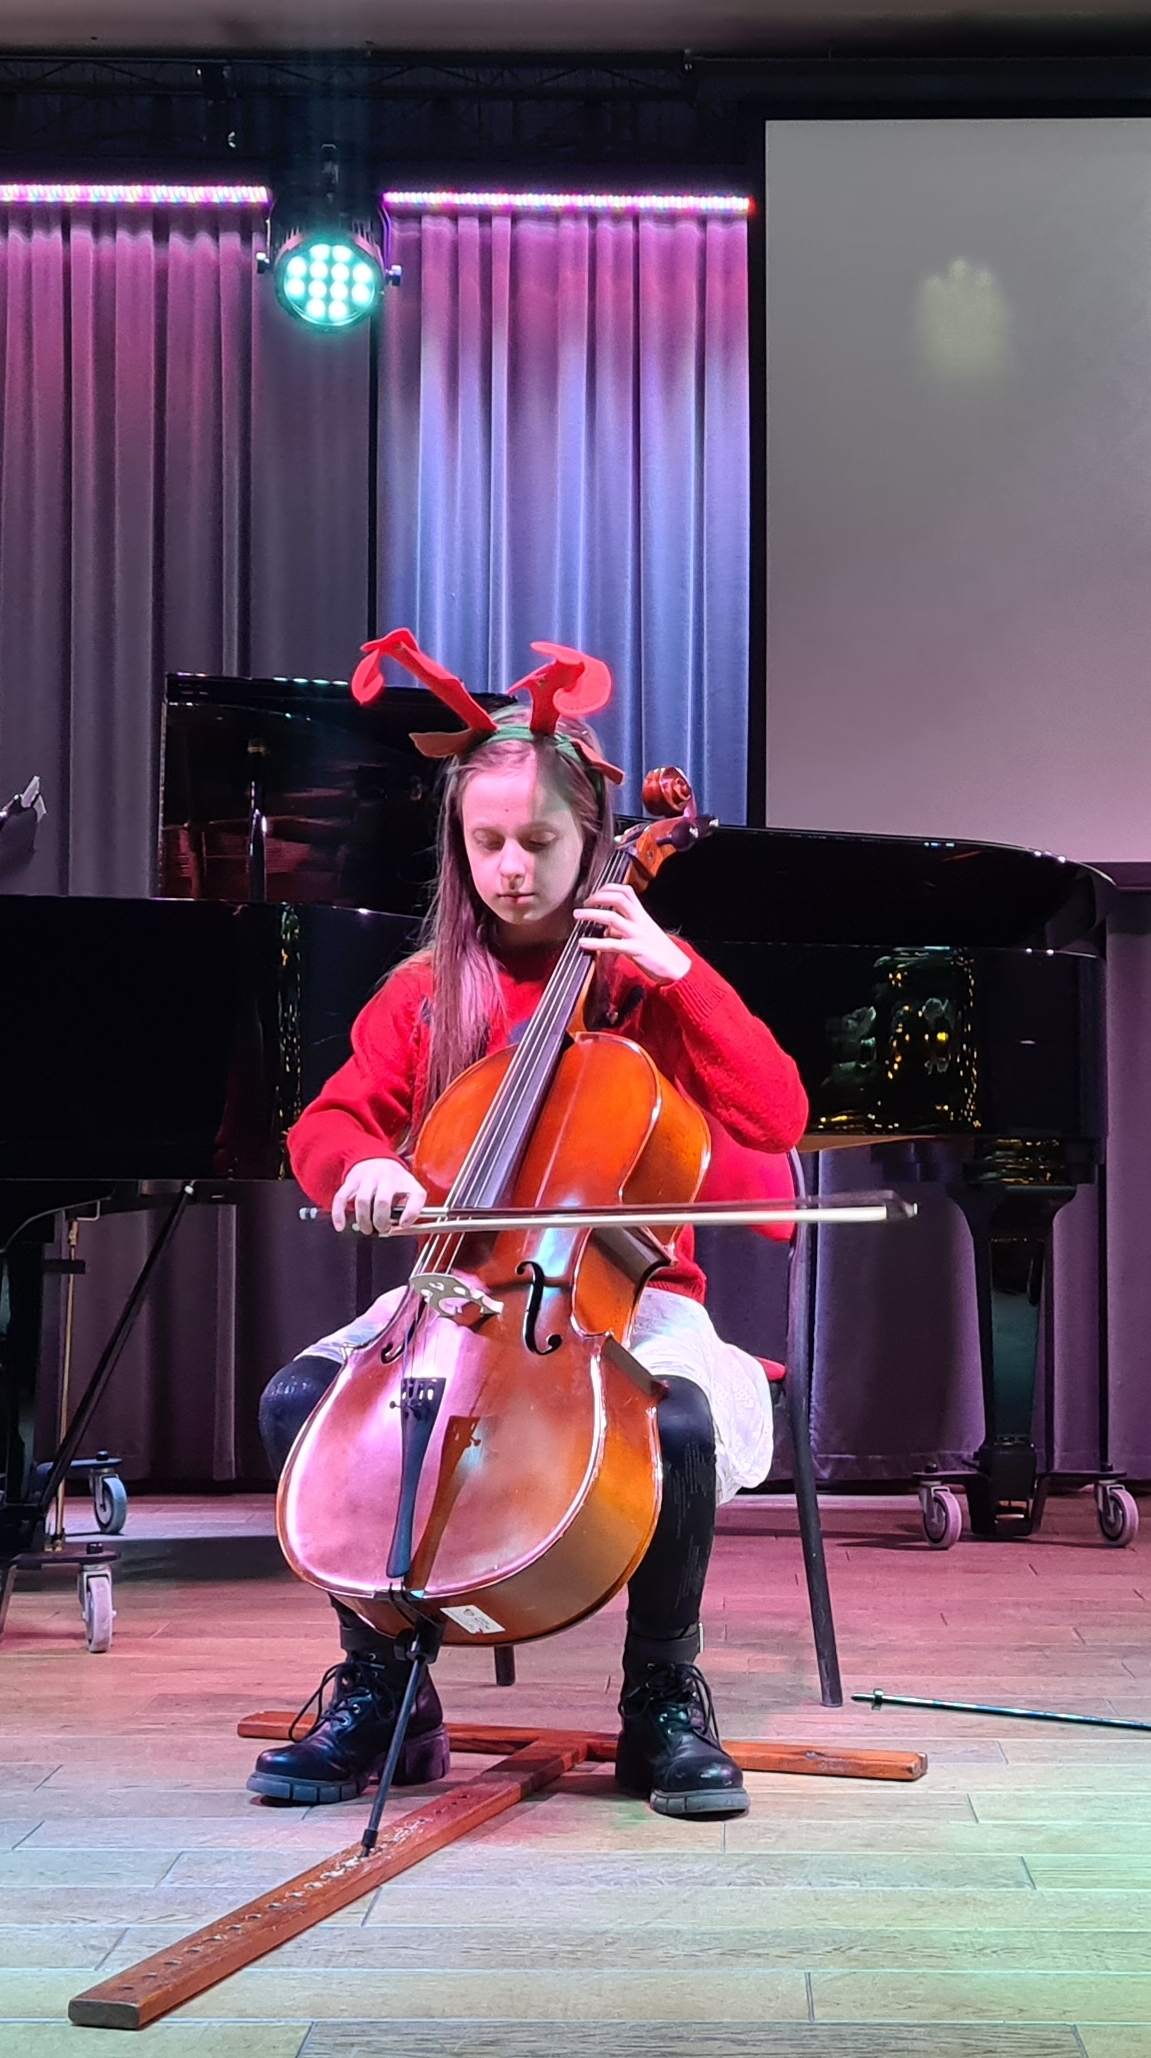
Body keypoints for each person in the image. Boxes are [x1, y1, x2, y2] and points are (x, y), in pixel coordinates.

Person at [255, 632, 809, 1818]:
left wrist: (680, 973)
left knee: (680, 1420)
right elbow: (332, 1123)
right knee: (301, 1402)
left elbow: (777, 1114)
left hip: (629, 1303)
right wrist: (365, 1167)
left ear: (592, 842)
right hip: (457, 1292)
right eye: (488, 843)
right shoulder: (427, 992)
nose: (512, 869)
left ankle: (663, 1698)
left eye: (540, 843)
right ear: (459, 849)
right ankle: (386, 1691)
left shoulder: (641, 978)